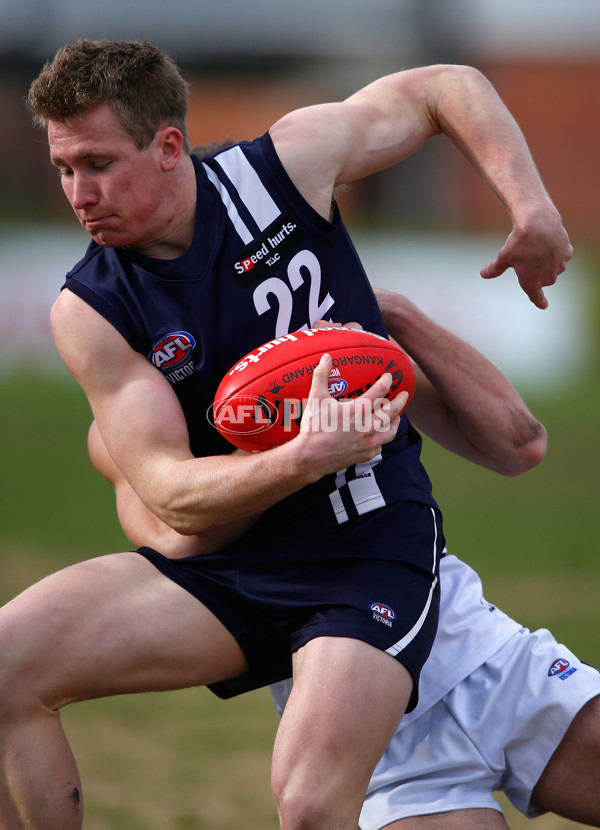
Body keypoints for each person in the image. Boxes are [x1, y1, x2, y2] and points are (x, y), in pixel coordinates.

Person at [0, 39, 572, 830]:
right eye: (64, 169)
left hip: (364, 540)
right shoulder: (91, 310)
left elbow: (448, 84)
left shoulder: (282, 171)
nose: (77, 192)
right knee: (7, 663)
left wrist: (530, 206)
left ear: (169, 147)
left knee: (308, 804)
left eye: (97, 163)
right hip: (235, 565)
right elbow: (169, 498)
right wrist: (303, 456)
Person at [89, 290, 600, 830]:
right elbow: (179, 541)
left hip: (479, 653)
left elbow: (521, 444)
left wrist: (393, 314)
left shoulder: (330, 354)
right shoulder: (127, 433)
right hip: (377, 748)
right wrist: (291, 450)